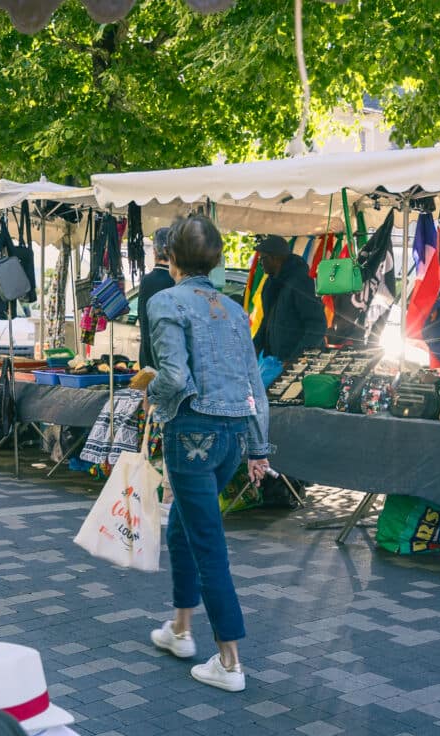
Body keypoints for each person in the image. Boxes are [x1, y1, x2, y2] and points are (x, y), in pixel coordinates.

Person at [143, 215, 271, 693]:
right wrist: (258, 445)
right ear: (216, 259)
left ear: (170, 257)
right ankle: (180, 628)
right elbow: (255, 384)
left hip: (192, 432)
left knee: (206, 539)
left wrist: (149, 389)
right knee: (185, 526)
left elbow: (173, 378)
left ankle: (230, 660)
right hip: (234, 435)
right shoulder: (234, 310)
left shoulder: (165, 302)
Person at [250, 235, 325, 386]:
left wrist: (296, 359)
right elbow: (267, 320)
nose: (260, 264)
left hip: (294, 365)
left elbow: (317, 324)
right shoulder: (271, 284)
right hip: (275, 361)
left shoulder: (300, 282)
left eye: (263, 259)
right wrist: (254, 346)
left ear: (275, 259)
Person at [135, 227, 177, 369]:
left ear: (154, 252)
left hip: (148, 359)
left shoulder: (147, 281)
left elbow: (144, 322)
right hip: (170, 364)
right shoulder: (178, 281)